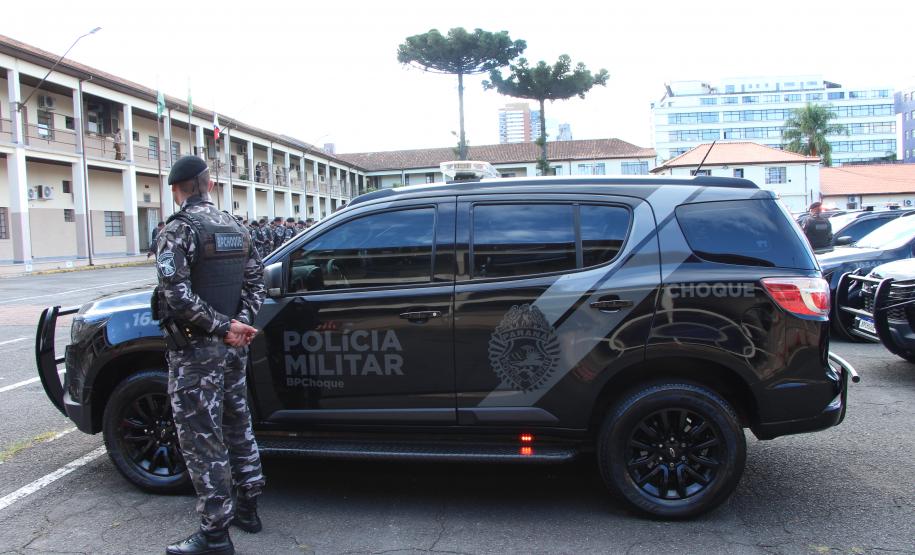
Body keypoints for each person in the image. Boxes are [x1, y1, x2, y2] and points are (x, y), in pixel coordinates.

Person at [154, 156, 266, 555]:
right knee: (238, 422)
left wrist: (223, 327)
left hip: (197, 353)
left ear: (175, 189)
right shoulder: (237, 227)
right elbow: (257, 283)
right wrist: (239, 326)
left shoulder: (178, 230)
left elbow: (177, 296)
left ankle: (215, 534)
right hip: (232, 350)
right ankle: (248, 506)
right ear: (210, 185)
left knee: (203, 439)